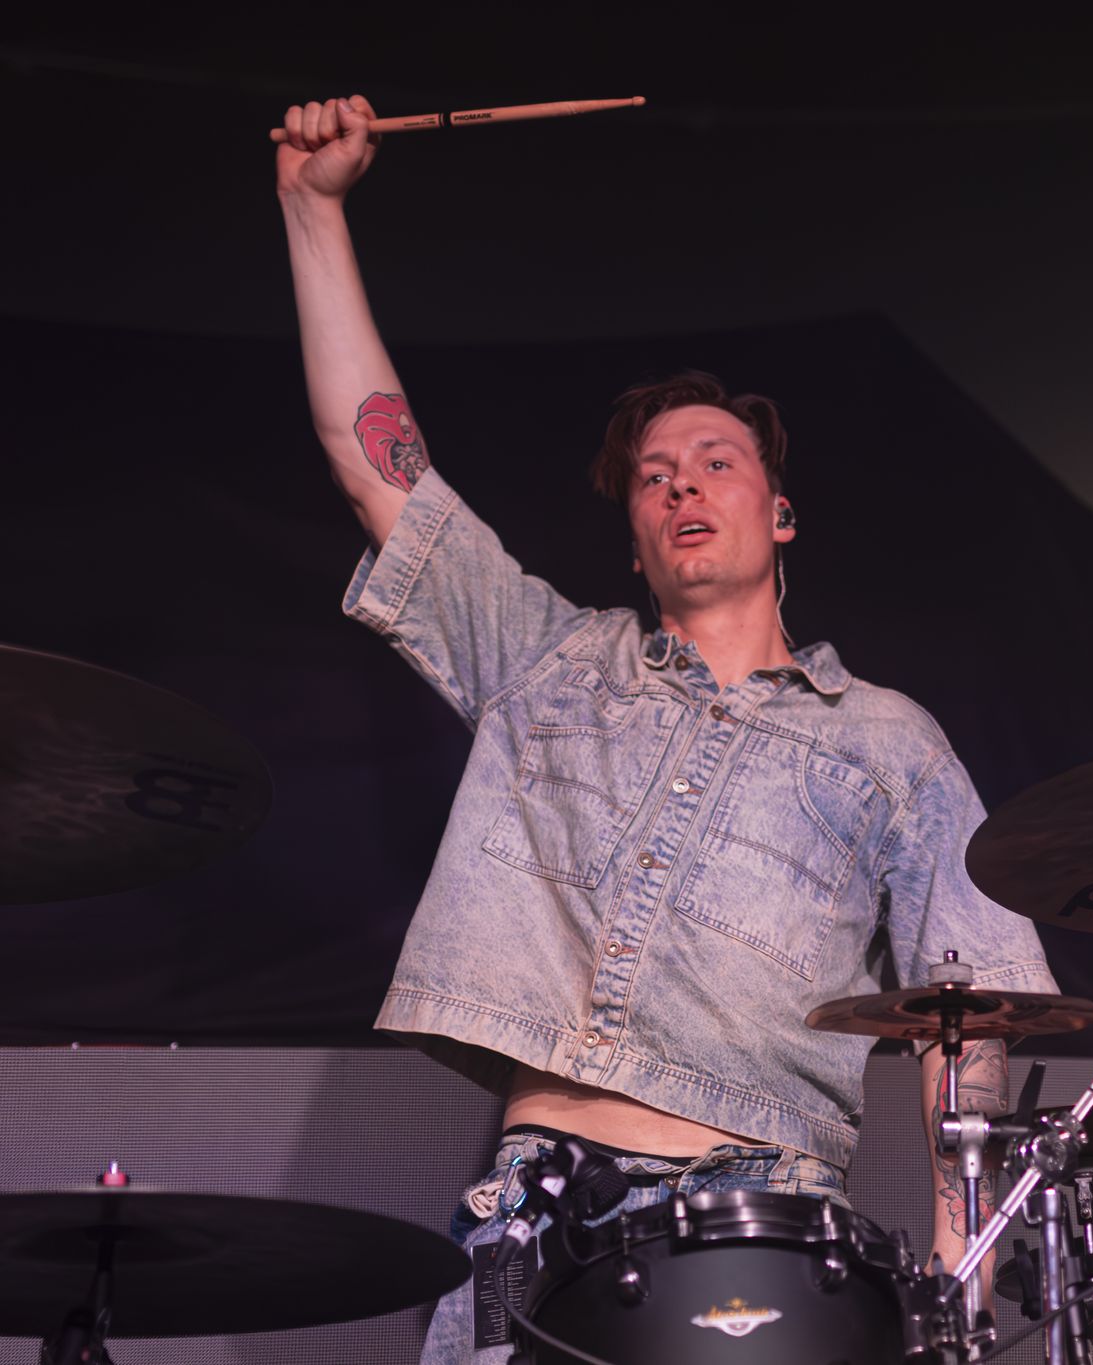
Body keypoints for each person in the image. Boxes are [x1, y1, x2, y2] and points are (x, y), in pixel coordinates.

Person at [275, 94, 1053, 1361]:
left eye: (715, 461)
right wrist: (311, 209)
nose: (682, 479)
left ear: (779, 514)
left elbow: (973, 1010)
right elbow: (377, 468)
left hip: (760, 1204)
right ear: (636, 539)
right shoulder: (548, 663)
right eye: (653, 475)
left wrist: (965, 1255)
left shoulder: (887, 741)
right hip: (528, 1209)